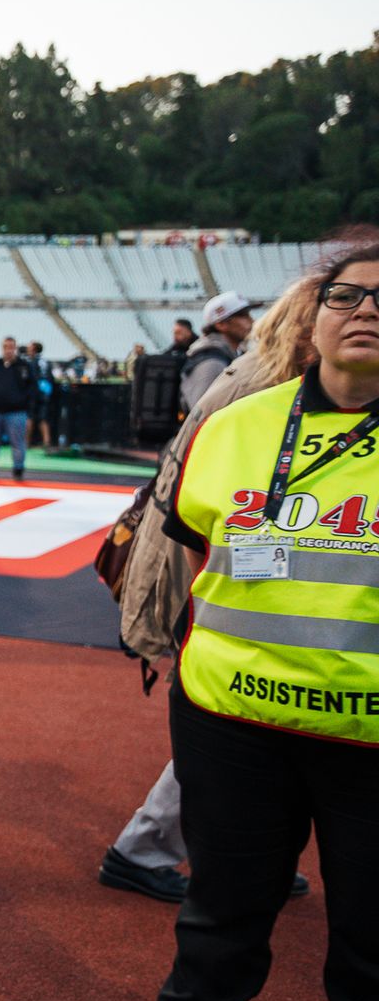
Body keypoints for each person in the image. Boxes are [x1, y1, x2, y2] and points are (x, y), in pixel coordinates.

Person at [105, 242, 379, 1001]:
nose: (368, 310)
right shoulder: (239, 421)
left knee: (373, 947)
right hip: (233, 729)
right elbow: (190, 555)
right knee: (221, 917)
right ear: (314, 313)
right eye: (349, 294)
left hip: (370, 745)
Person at [101, 279, 321, 906]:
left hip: (220, 561)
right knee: (234, 716)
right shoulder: (258, 383)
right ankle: (146, 847)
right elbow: (225, 487)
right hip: (225, 566)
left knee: (252, 718)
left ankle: (241, 851)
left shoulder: (259, 369)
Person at [0, 336, 37, 481]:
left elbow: (33, 388)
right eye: (6, 347)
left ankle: (18, 469)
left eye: (11, 347)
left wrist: (26, 405)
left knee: (17, 442)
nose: (8, 350)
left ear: (15, 348)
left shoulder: (24, 367)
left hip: (16, 411)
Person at [182, 290, 255, 411]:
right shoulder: (211, 364)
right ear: (221, 325)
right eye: (243, 315)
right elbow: (203, 413)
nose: (251, 321)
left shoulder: (232, 355)